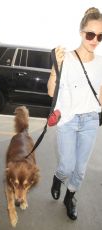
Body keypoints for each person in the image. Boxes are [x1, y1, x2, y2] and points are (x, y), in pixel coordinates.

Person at [47, 7, 102, 220]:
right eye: (90, 35)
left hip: (90, 120)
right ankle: (58, 177)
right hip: (68, 120)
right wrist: (55, 67)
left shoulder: (101, 63)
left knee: (80, 169)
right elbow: (52, 91)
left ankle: (70, 197)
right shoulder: (66, 59)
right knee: (66, 166)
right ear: (81, 33)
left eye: (100, 36)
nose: (95, 40)